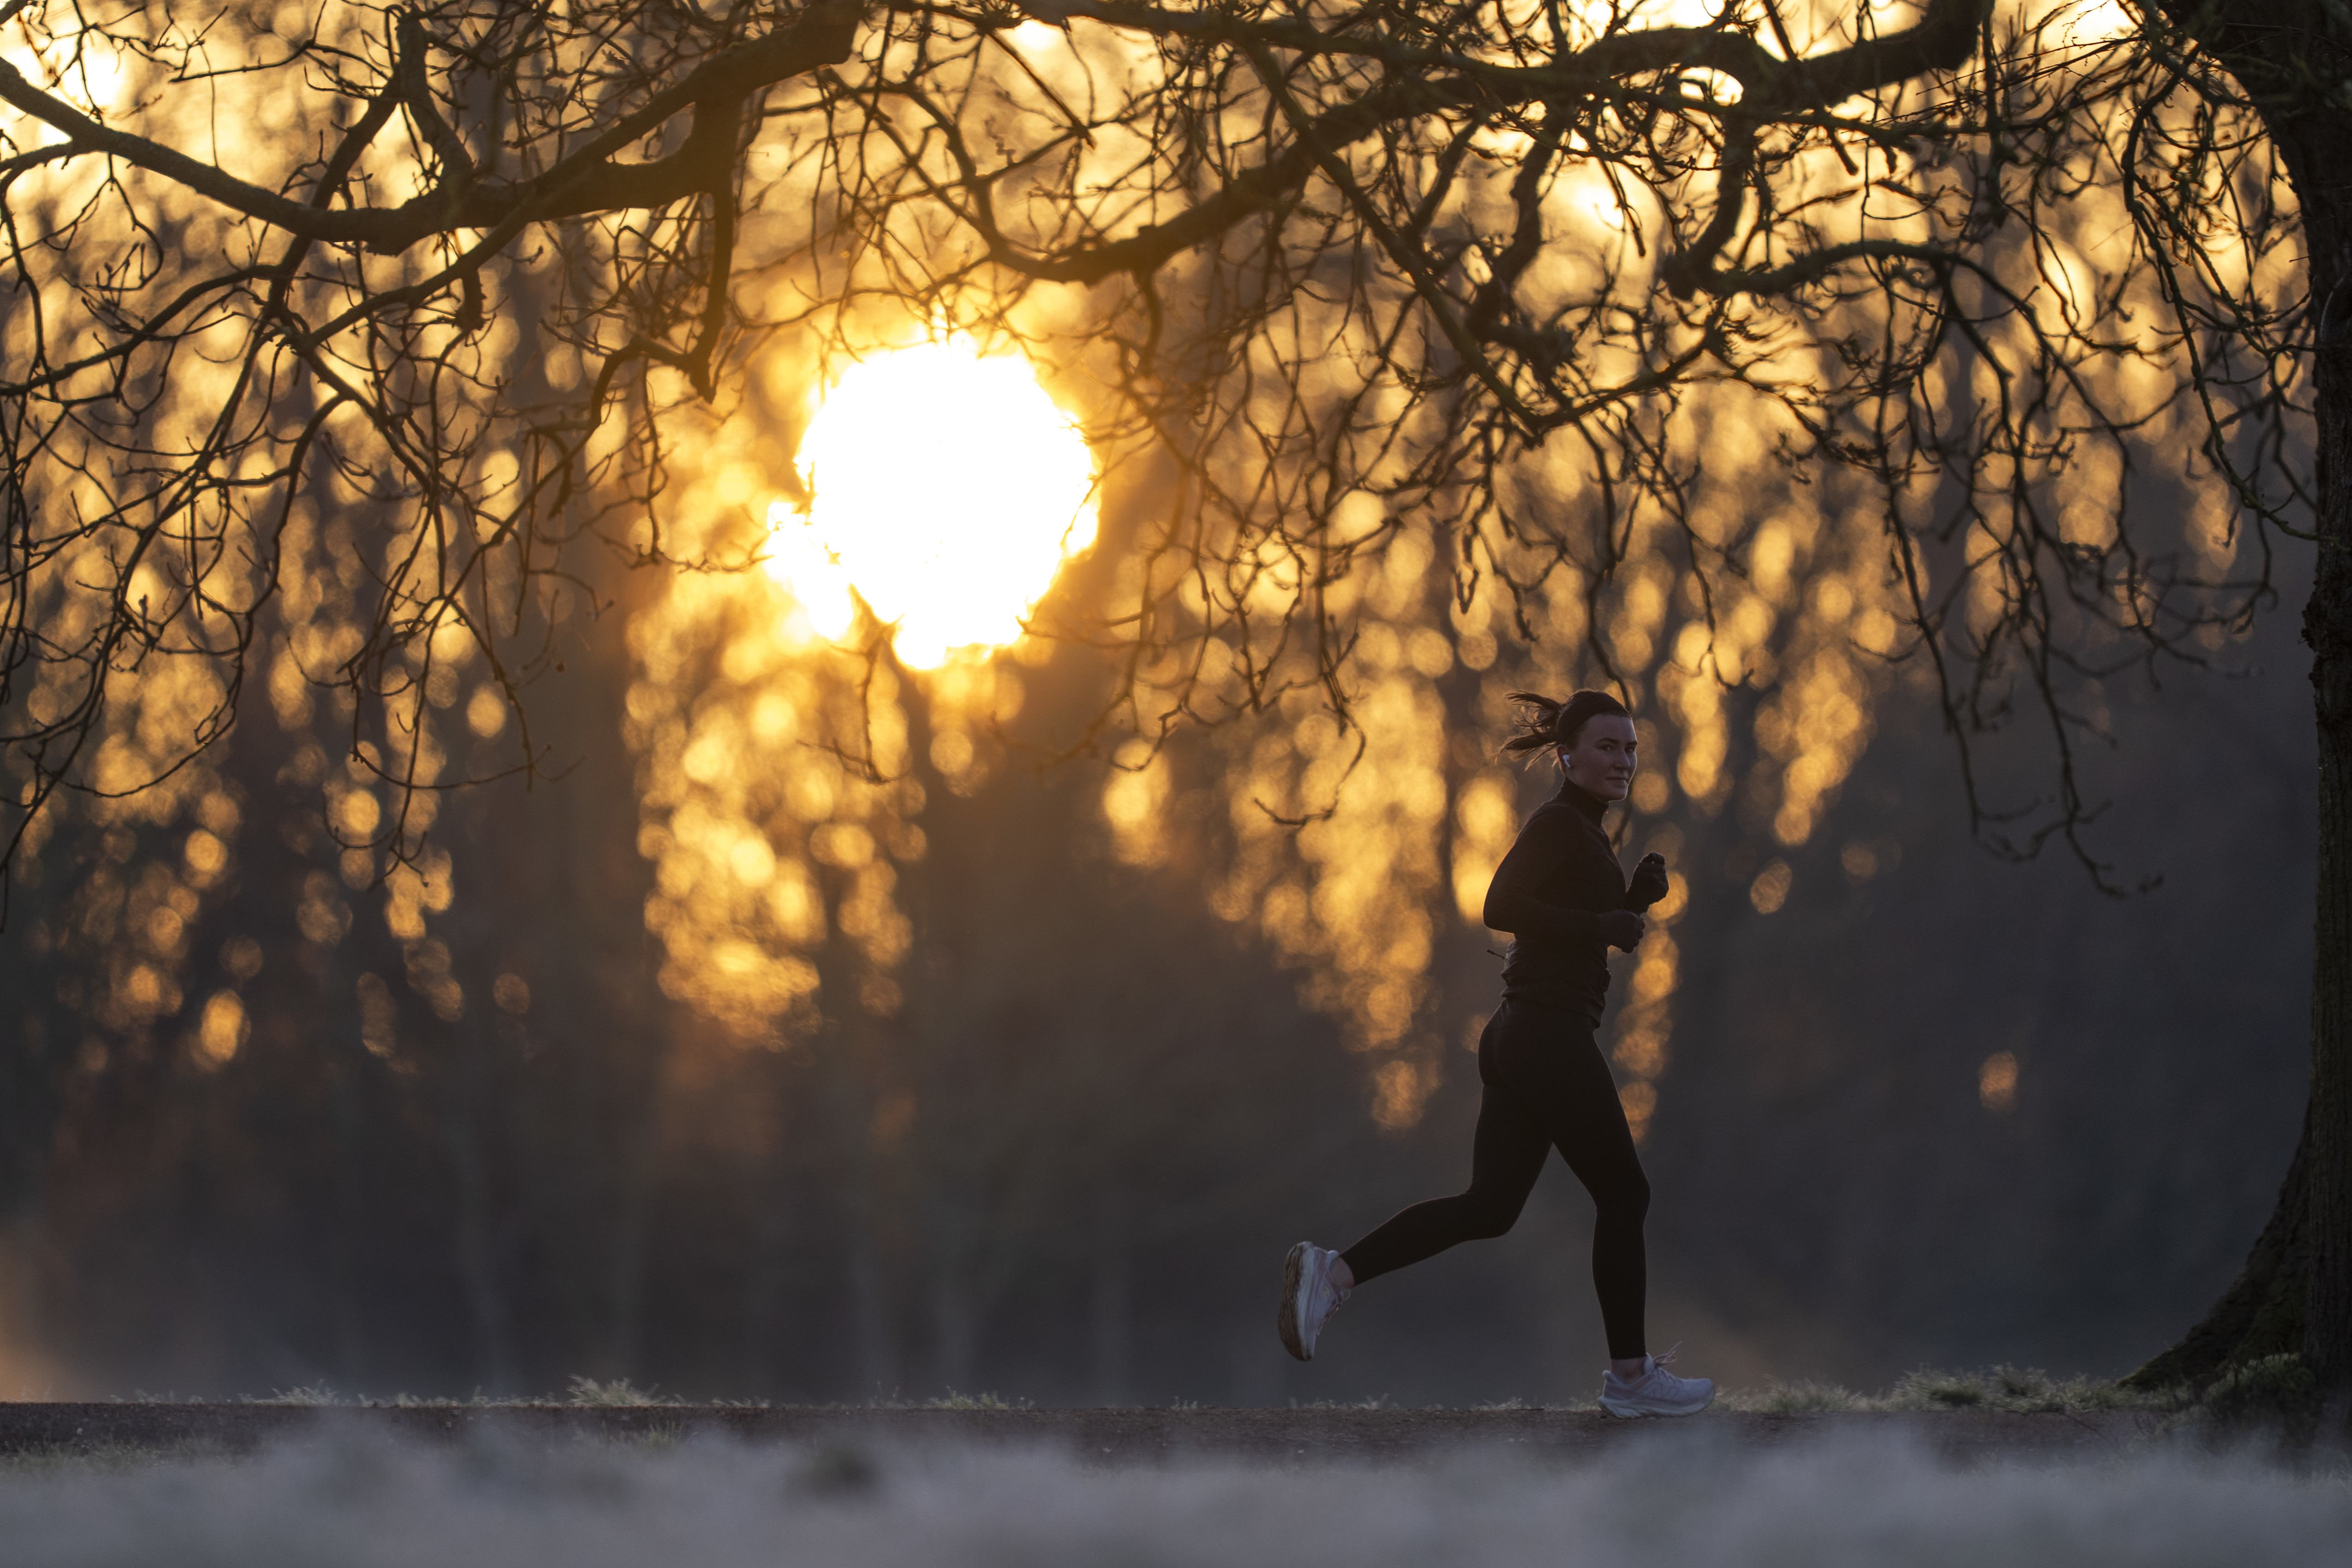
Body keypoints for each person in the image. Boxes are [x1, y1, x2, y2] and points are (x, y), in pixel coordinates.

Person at [1275, 689, 1714, 1418]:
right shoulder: (1557, 824)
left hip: (1520, 1034)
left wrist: (1630, 904)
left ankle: (1335, 1273)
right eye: (1608, 747)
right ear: (1567, 755)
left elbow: (1570, 929)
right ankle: (1631, 1379)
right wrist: (1603, 919)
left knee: (1489, 1207)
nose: (1624, 761)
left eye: (1631, 749)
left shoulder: (1585, 835)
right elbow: (1500, 906)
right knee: (1625, 1194)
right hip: (1544, 1033)